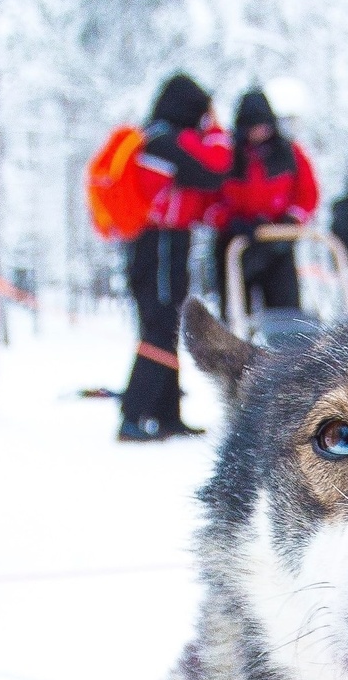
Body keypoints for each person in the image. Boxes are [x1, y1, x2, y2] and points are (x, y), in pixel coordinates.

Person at [119, 73, 231, 441]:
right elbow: (212, 172)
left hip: (159, 243)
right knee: (161, 321)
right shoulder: (163, 140)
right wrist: (215, 131)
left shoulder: (156, 136)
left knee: (167, 322)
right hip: (160, 242)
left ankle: (166, 414)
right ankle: (133, 414)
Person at [209, 88, 320, 319]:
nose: (260, 132)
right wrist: (231, 222)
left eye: (264, 126)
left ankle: (286, 353)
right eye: (253, 127)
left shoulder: (289, 153)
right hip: (236, 245)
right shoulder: (228, 154)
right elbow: (209, 199)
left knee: (285, 316)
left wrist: (291, 220)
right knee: (236, 315)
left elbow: (308, 194)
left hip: (278, 243)